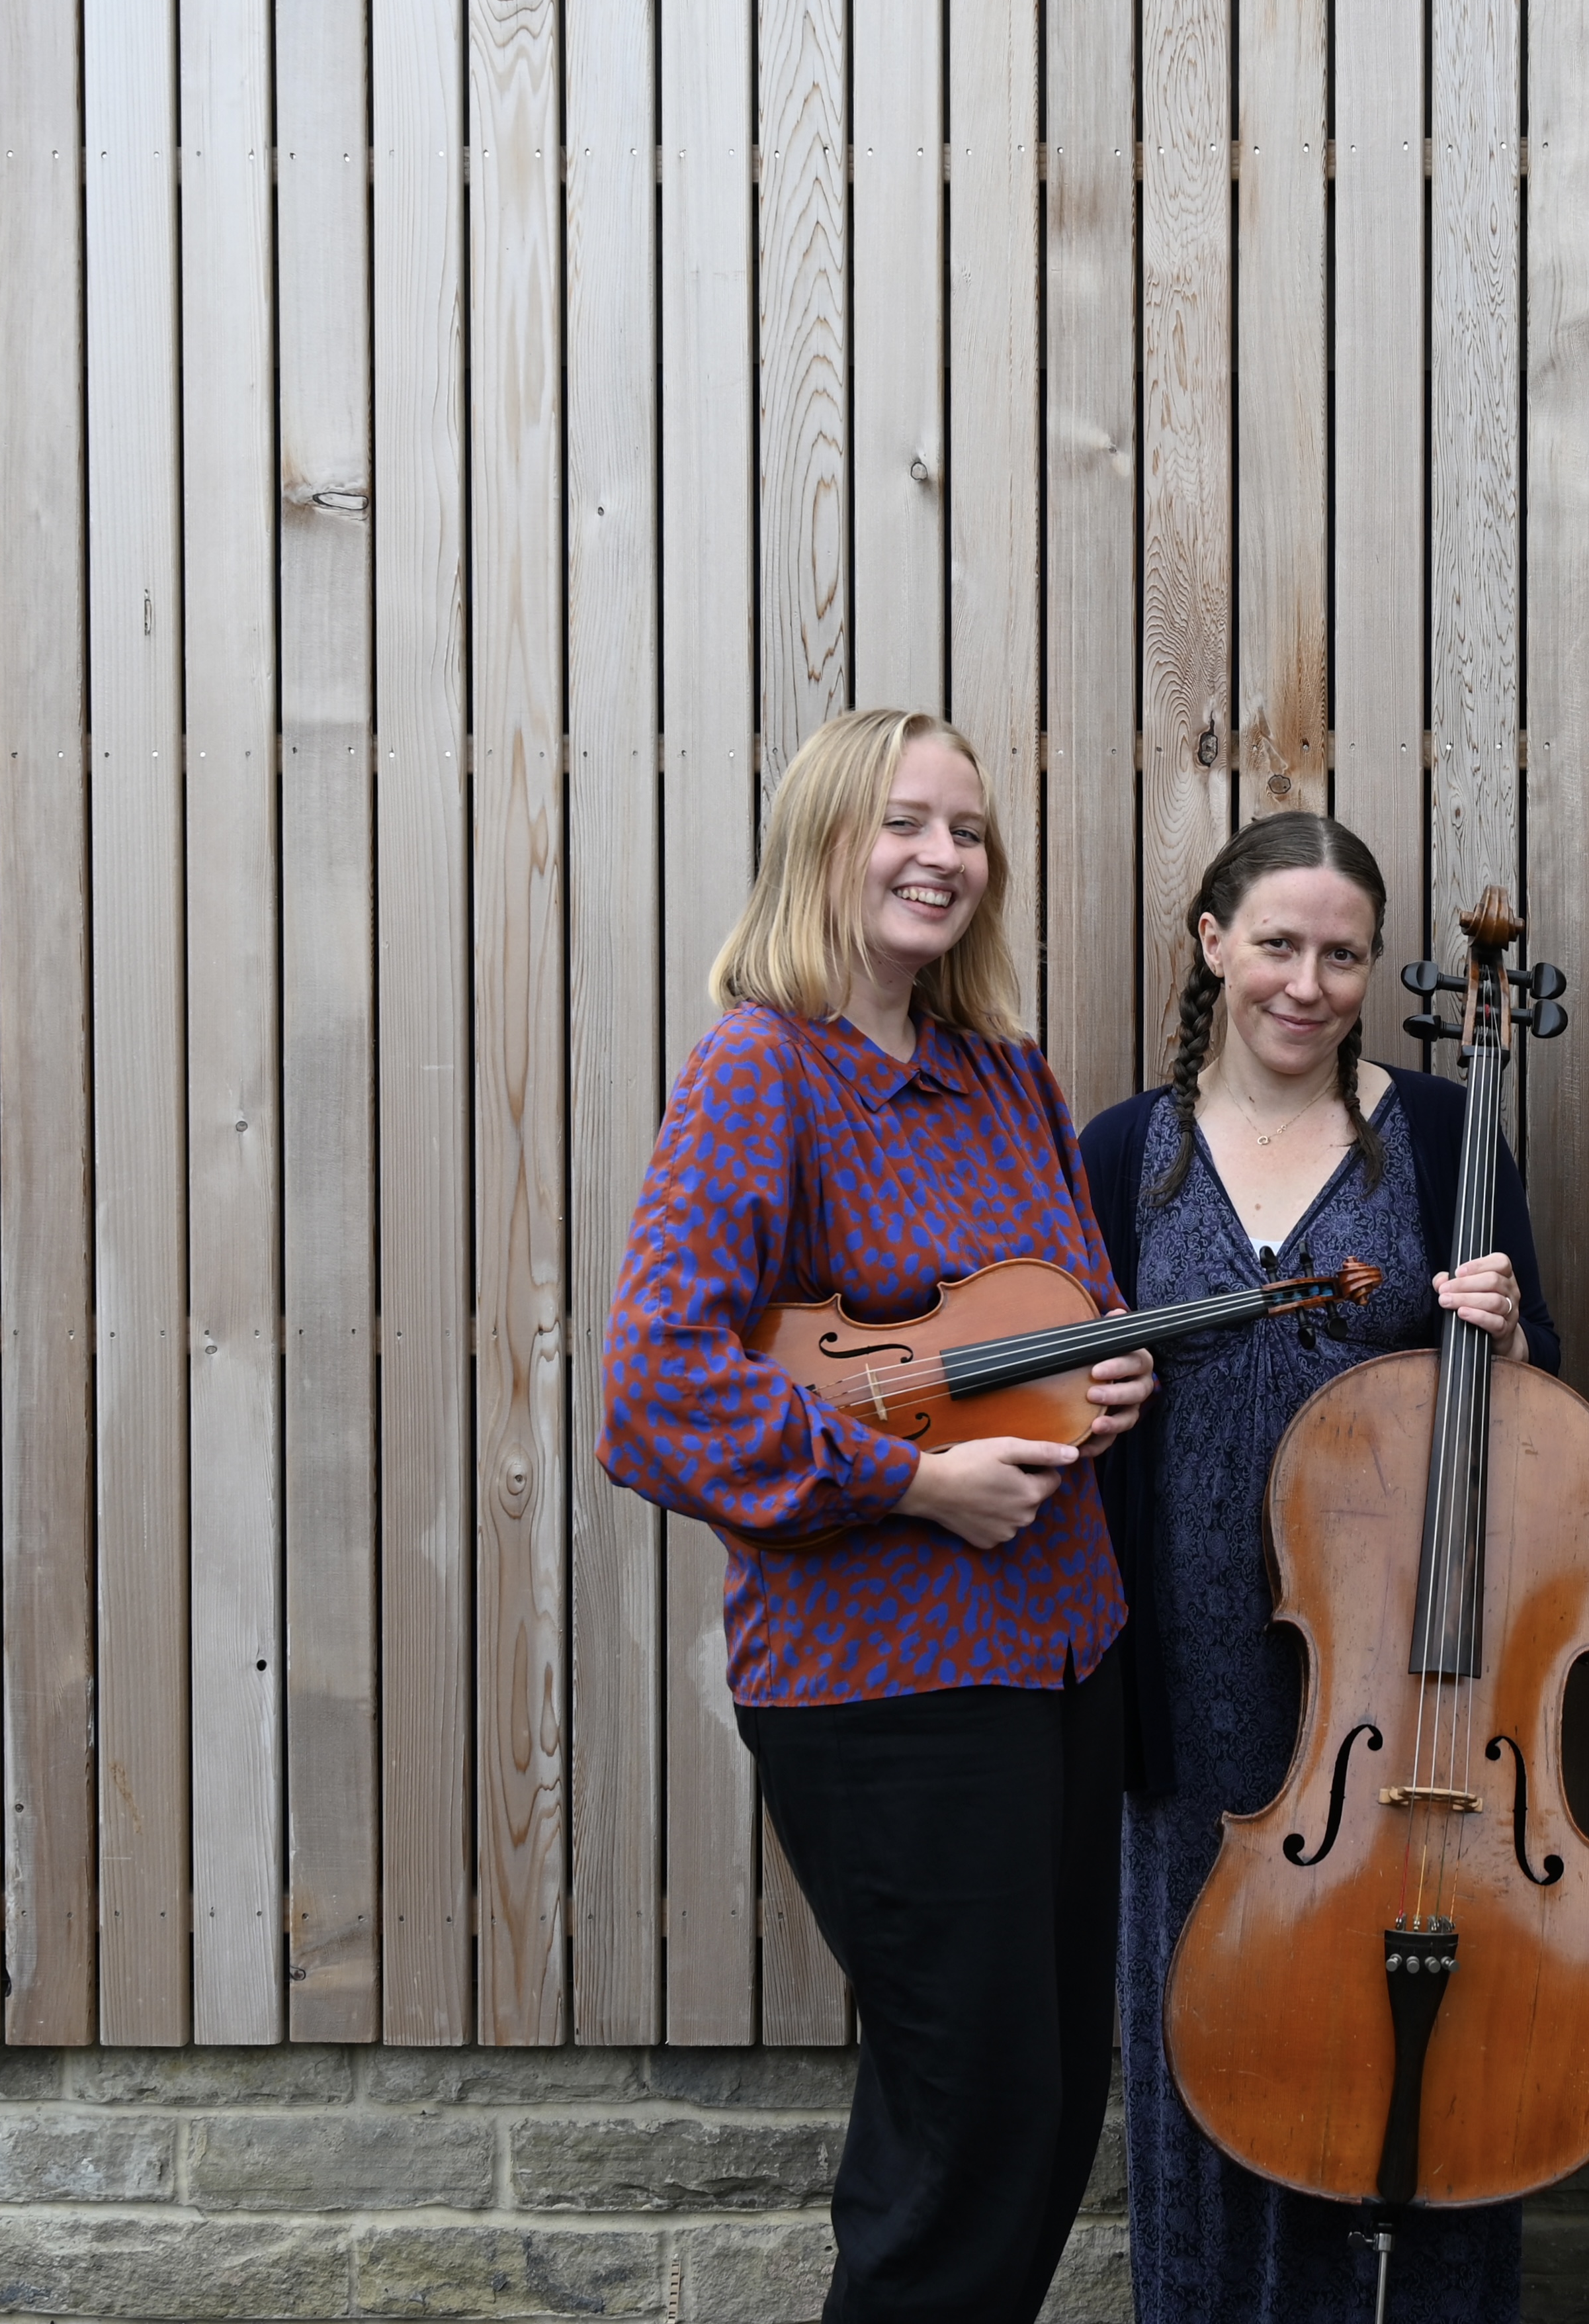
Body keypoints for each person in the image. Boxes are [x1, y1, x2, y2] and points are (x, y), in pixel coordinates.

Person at [594, 707, 1152, 2324]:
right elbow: (656, 1386)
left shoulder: (1003, 1075)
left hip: (1060, 1653)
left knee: (1043, 2107)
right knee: (964, 2125)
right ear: (822, 843)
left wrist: (1108, 1384)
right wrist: (912, 1479)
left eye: (967, 830)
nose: (941, 857)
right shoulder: (760, 1067)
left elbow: (1073, 1314)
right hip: (885, 1683)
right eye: (902, 822)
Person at [1079, 812, 1557, 2324]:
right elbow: (1058, 1402)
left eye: (1340, 951)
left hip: (1397, 1662)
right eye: (1276, 942)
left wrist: (1507, 1340)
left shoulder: (1438, 1128)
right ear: (1210, 940)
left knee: (1402, 2006)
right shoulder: (1116, 1152)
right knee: (1207, 2003)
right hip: (1191, 1643)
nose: (1307, 978)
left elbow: (1521, 1430)